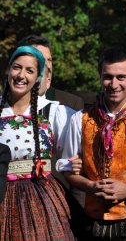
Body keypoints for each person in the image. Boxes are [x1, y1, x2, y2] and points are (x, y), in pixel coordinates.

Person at [56, 48, 126, 240]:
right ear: (100, 77)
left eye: (121, 77)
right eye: (108, 77)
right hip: (92, 220)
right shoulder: (80, 119)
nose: (114, 84)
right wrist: (91, 186)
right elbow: (68, 171)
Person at [0, 46, 74, 240]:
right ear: (8, 70)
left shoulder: (53, 113)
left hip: (40, 199)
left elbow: (71, 155)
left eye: (29, 70)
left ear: (38, 78)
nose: (21, 75)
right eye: (17, 67)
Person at [18, 35, 85, 111]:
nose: (48, 66)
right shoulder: (5, 104)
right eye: (41, 59)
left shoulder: (71, 104)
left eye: (49, 60)